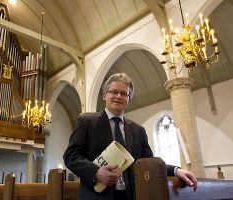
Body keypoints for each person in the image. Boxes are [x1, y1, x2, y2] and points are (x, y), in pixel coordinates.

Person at [63, 73, 198, 200]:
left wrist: (176, 170)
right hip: (96, 195)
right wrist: (95, 172)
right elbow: (71, 156)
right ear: (105, 95)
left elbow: (148, 163)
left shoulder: (138, 130)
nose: (118, 96)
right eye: (114, 91)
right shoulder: (87, 121)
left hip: (130, 196)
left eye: (124, 93)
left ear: (129, 99)